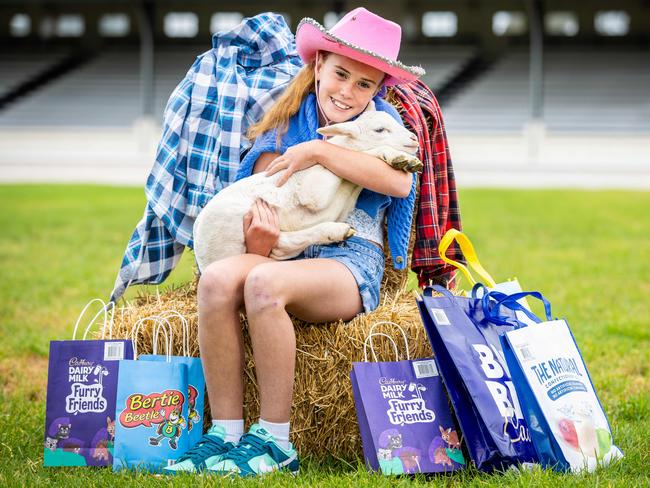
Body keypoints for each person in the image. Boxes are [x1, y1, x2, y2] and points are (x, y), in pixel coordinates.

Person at [164, 7, 424, 476]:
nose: (347, 92)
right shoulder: (285, 121)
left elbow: (399, 184)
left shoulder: (384, 129)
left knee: (264, 285)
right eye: (340, 74)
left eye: (364, 84)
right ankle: (224, 434)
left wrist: (320, 150)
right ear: (318, 65)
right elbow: (268, 191)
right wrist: (259, 241)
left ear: (378, 90)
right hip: (289, 247)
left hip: (347, 262)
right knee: (218, 281)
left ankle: (276, 442)